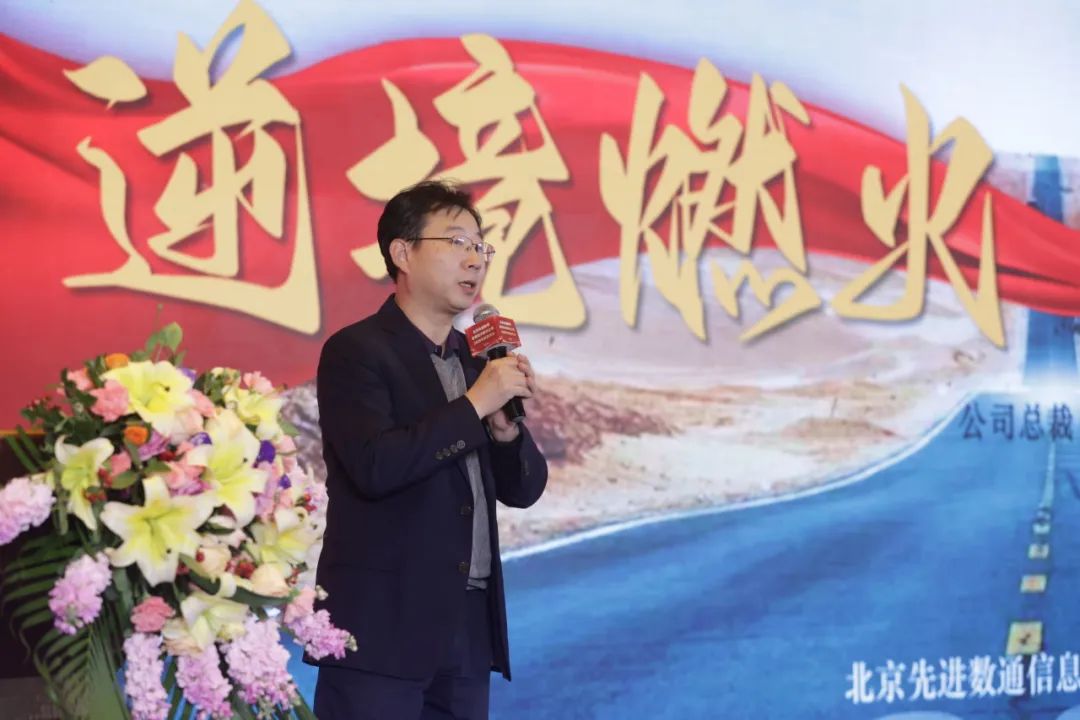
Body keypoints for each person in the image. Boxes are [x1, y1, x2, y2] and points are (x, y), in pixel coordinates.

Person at [310, 180, 548, 719]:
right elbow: (375, 465)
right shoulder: (356, 351)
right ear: (403, 253)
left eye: (481, 247)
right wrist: (475, 404)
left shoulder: (476, 360)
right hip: (380, 628)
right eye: (457, 242)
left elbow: (524, 489)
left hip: (466, 624)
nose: (475, 260)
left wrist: (506, 433)